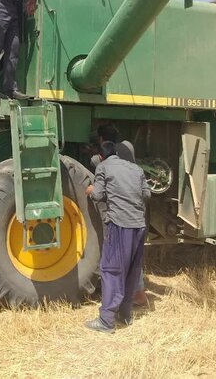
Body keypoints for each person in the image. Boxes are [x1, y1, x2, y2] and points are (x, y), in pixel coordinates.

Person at [85, 141, 150, 333]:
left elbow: (97, 195)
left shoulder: (103, 167)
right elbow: (146, 194)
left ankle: (106, 322)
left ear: (102, 157)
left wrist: (90, 191)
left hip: (119, 226)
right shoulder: (136, 169)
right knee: (131, 271)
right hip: (139, 226)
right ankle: (125, 315)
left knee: (112, 271)